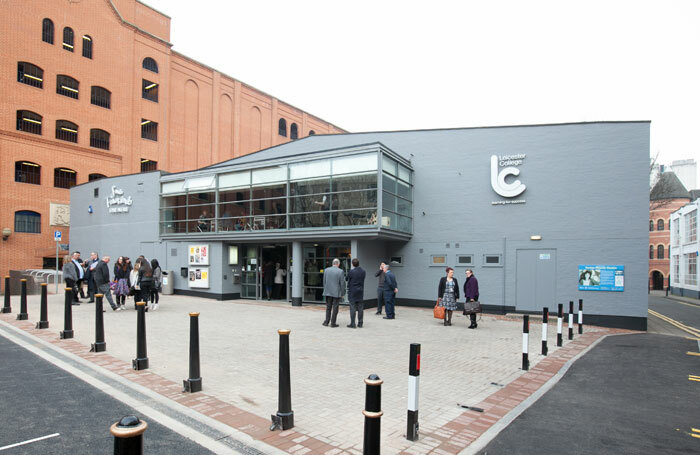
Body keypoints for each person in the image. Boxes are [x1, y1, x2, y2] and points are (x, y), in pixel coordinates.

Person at [322, 258, 346, 327]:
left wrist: (325, 289)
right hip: (336, 292)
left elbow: (324, 281)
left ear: (333, 263)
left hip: (328, 291)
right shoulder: (340, 271)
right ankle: (333, 323)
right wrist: (343, 293)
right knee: (335, 308)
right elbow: (342, 283)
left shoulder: (326, 270)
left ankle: (326, 322)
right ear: (338, 264)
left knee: (328, 307)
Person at [347, 258, 366, 328]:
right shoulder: (363, 271)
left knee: (352, 308)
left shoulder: (351, 271)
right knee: (360, 308)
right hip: (360, 291)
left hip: (352, 291)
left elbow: (347, 279)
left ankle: (353, 323)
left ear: (352, 264)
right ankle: (360, 323)